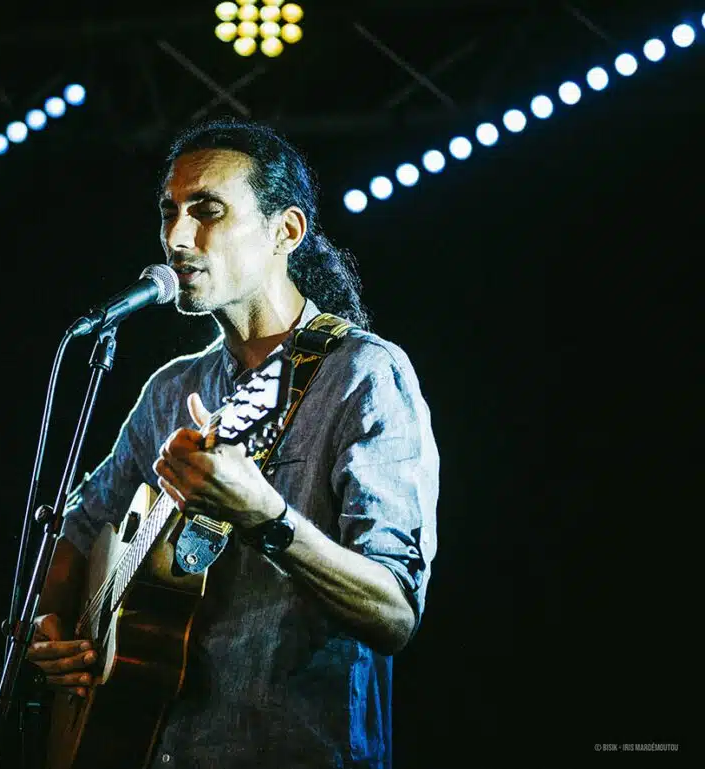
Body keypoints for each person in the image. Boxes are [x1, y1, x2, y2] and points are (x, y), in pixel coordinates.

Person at [27, 117, 439, 768]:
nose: (176, 237)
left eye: (207, 210)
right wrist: (52, 627)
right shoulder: (172, 390)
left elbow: (394, 613)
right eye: (169, 212)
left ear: (286, 231)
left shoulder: (363, 375)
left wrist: (267, 516)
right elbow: (77, 529)